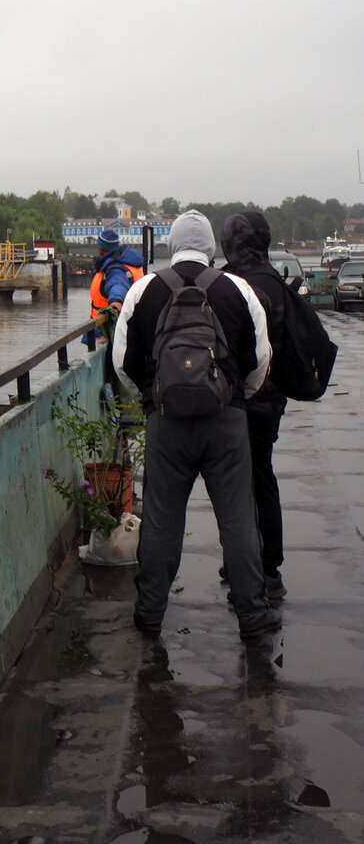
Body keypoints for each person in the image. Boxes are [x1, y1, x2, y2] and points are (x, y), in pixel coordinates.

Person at [112, 209, 281, 639]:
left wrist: (150, 402)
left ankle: (150, 612)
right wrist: (236, 398)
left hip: (166, 424)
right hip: (226, 423)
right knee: (239, 519)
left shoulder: (143, 291)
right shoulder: (239, 289)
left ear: (170, 245)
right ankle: (253, 615)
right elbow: (260, 362)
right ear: (211, 248)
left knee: (163, 521)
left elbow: (122, 364)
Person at [220, 211, 289, 600]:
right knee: (259, 477)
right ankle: (263, 565)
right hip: (271, 399)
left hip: (244, 398)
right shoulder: (273, 279)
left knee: (244, 483)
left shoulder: (239, 283)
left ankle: (257, 567)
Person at [90, 228, 144, 319]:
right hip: (132, 322)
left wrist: (116, 301)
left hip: (106, 329)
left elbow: (118, 283)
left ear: (100, 249)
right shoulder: (130, 263)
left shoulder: (115, 268)